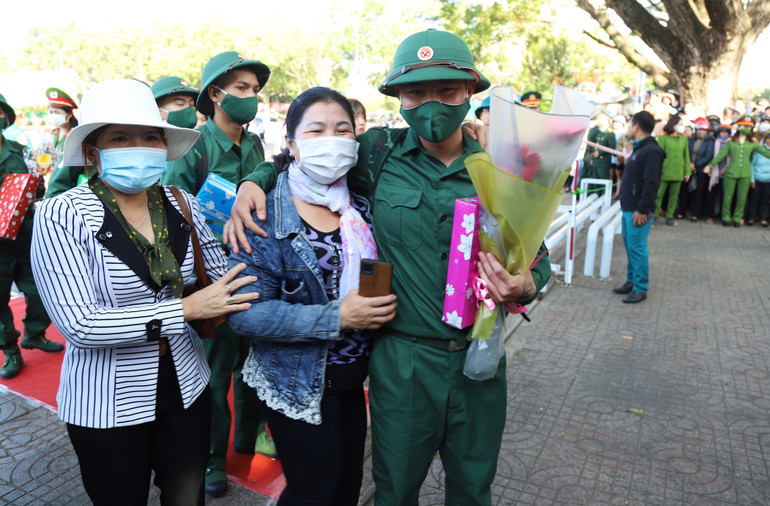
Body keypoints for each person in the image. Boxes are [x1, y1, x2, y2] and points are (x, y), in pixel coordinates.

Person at [225, 29, 551, 505]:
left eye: (447, 90)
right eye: (416, 92)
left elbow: (540, 259)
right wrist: (252, 180)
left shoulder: (504, 166)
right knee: (394, 491)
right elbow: (310, 158)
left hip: (478, 358)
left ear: (470, 93)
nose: (431, 104)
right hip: (403, 361)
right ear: (398, 97)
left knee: (473, 488)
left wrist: (524, 285)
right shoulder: (377, 154)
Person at [29, 78, 259, 505]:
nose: (139, 145)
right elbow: (81, 324)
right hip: (107, 398)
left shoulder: (181, 202)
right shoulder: (63, 213)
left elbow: (222, 273)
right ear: (94, 153)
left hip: (186, 385)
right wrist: (185, 310)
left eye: (150, 137)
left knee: (186, 497)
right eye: (121, 137)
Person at [227, 86, 397, 505]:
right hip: (297, 383)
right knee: (314, 492)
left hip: (353, 380)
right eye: (316, 131)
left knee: (344, 489)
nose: (332, 141)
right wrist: (337, 318)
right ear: (291, 144)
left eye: (343, 130)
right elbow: (245, 315)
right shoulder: (263, 214)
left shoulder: (361, 203)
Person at [160, 50, 274, 498]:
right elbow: (169, 214)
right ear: (215, 94)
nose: (251, 98)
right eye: (241, 89)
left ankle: (248, 434)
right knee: (214, 373)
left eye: (254, 90)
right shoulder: (193, 145)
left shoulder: (255, 144)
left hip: (256, 271)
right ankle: (209, 458)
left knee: (254, 361)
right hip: (212, 281)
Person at [0, 92, 59, 381]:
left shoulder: (21, 150)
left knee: (41, 292)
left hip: (25, 237)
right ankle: (10, 350)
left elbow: (35, 188)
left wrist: (36, 186)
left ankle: (34, 334)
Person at [613, 111, 663, 303]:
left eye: (629, 124)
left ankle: (640, 288)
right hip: (630, 207)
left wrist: (642, 209)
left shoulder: (651, 150)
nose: (627, 128)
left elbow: (651, 183)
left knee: (637, 248)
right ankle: (631, 281)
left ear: (636, 127)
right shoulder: (640, 148)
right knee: (630, 246)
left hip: (638, 210)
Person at [706, 116, 770, 227]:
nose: (746, 128)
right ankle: (726, 217)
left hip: (745, 173)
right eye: (744, 126)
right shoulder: (731, 142)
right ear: (739, 127)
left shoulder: (753, 142)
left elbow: (766, 153)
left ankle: (737, 218)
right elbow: (721, 155)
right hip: (731, 172)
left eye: (749, 127)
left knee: (742, 198)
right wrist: (710, 165)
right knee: (728, 196)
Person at [654, 114, 690, 225]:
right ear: (673, 125)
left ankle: (669, 216)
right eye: (680, 124)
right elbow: (658, 156)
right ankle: (654, 215)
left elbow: (686, 156)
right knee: (659, 195)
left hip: (678, 171)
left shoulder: (684, 138)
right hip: (665, 171)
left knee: (674, 196)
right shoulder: (663, 138)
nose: (682, 126)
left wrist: (687, 171)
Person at [688, 117, 715, 222]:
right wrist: (690, 163)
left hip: (701, 170)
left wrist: (695, 164)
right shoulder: (691, 139)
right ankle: (688, 210)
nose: (702, 132)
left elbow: (708, 156)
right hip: (690, 168)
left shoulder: (710, 141)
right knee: (689, 191)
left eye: (704, 130)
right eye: (700, 130)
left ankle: (696, 214)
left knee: (699, 192)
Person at [582, 110, 616, 194]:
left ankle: (604, 199)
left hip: (603, 161)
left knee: (603, 181)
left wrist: (600, 153)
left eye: (601, 119)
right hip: (596, 160)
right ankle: (597, 198)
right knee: (595, 181)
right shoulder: (600, 132)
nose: (599, 120)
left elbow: (612, 146)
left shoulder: (610, 133)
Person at [46, 87, 79, 152]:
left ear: (69, 114)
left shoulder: (75, 134)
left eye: (57, 112)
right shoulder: (53, 133)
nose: (53, 115)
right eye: (51, 112)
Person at [749, 133, 770, 226]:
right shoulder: (758, 150)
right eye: (768, 139)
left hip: (768, 180)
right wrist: (752, 179)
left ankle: (762, 218)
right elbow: (752, 165)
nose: (769, 141)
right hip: (757, 178)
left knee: (765, 200)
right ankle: (751, 218)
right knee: (754, 199)